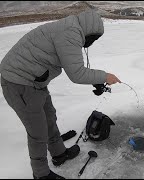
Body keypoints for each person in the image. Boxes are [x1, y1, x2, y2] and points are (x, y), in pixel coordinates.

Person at [0, 9, 121, 179]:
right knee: (38, 131)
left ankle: (59, 154)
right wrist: (105, 76)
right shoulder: (70, 34)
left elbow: (74, 65)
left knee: (49, 117)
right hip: (19, 82)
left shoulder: (73, 28)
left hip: (35, 80)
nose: (92, 42)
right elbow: (76, 74)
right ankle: (41, 174)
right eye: (93, 38)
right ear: (89, 32)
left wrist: (96, 80)